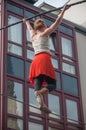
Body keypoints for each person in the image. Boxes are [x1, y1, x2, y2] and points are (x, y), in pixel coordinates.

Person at [23, 3, 69, 113]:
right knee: (53, 84)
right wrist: (63, 11)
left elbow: (29, 28)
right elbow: (57, 23)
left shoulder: (33, 36)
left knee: (37, 87)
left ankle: (42, 104)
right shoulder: (44, 33)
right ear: (43, 26)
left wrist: (26, 22)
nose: (46, 27)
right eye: (45, 26)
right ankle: (39, 93)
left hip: (35, 62)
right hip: (44, 59)